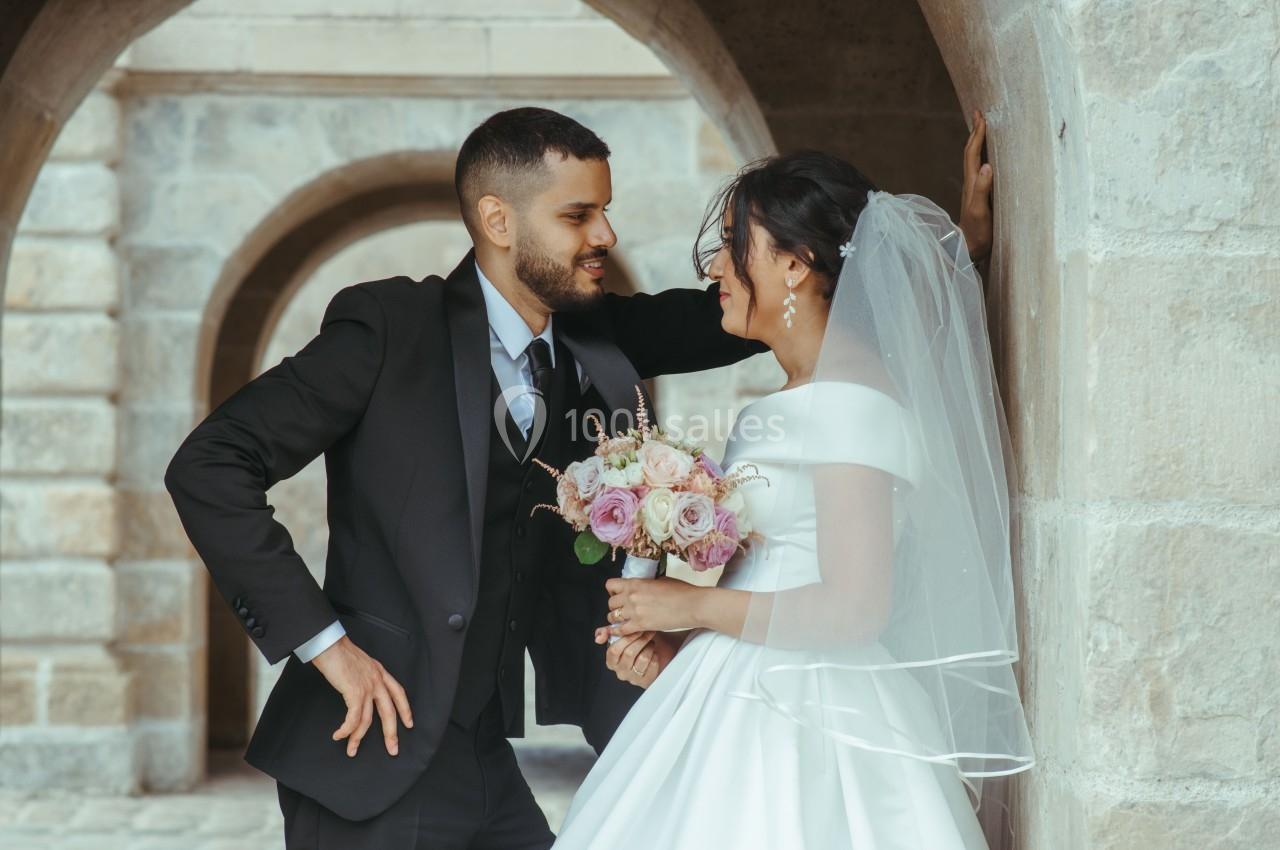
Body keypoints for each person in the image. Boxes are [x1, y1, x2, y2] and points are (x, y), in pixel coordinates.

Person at [164, 105, 994, 849]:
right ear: (497, 219)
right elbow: (210, 466)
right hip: (373, 745)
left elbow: (790, 298)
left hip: (490, 759)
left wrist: (951, 253)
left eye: (606, 211)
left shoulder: (598, 338)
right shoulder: (390, 328)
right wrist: (327, 648)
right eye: (578, 215)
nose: (605, 236)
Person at [554, 149, 1034, 849]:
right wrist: (677, 645)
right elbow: (778, 578)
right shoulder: (797, 398)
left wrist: (689, 603)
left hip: (821, 719)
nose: (715, 268)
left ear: (795, 264)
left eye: (731, 245)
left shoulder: (848, 404)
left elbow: (854, 607)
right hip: (744, 687)